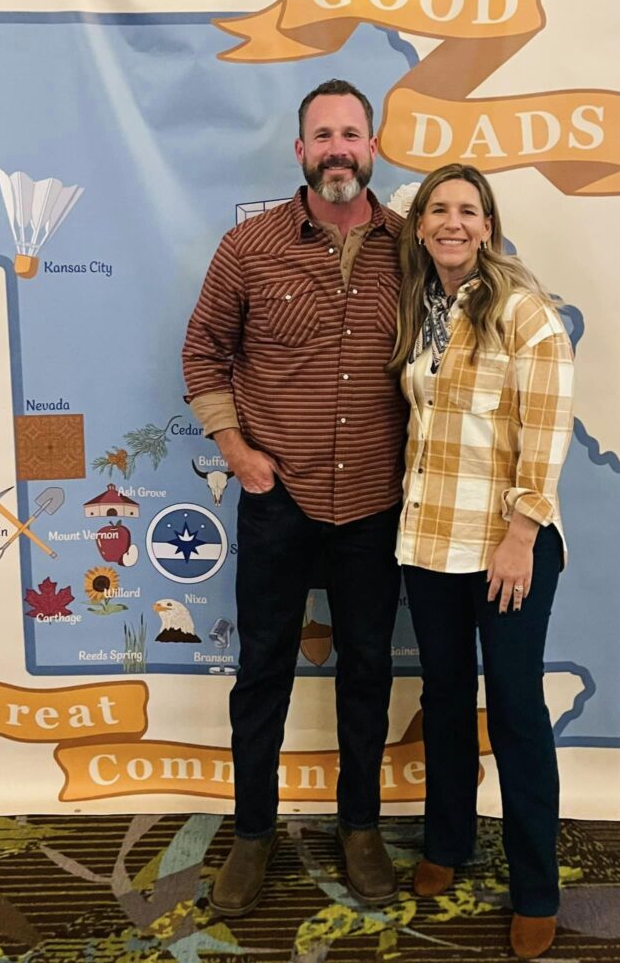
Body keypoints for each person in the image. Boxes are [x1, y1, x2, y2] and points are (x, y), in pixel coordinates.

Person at [182, 79, 408, 915]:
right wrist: (236, 451)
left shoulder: (412, 246)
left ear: (373, 148)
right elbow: (203, 352)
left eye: (352, 132)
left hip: (377, 506)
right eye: (323, 134)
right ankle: (250, 834)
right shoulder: (248, 247)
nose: (338, 147)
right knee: (263, 671)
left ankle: (360, 830)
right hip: (278, 501)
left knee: (369, 673)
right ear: (300, 151)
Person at [389, 164, 574, 959]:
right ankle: (448, 842)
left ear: (488, 227)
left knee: (516, 711)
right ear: (421, 227)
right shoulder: (415, 311)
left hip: (508, 546)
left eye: (468, 210)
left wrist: (522, 534)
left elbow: (548, 430)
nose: (452, 222)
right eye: (439, 210)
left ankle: (536, 885)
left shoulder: (525, 315)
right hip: (429, 542)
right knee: (444, 695)